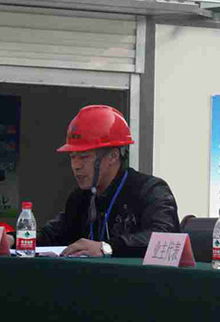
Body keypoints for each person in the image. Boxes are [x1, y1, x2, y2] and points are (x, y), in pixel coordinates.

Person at [38, 105, 180, 257]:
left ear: (113, 156)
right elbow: (52, 234)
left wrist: (107, 248)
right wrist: (20, 237)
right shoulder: (79, 198)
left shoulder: (150, 190)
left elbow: (166, 239)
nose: (76, 166)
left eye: (84, 157)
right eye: (72, 157)